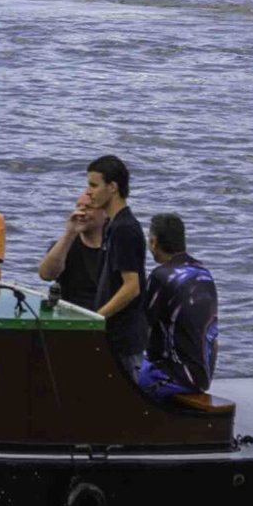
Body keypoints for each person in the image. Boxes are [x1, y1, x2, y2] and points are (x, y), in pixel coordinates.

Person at [133, 212, 219, 401]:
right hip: (203, 376)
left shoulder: (161, 276)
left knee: (121, 373)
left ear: (154, 243)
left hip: (177, 376)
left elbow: (142, 330)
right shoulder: (203, 273)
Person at [83, 154, 148, 367]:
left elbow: (132, 287)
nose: (88, 192)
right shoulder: (112, 225)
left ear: (112, 187)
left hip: (124, 340)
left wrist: (96, 318)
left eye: (94, 185)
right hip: (113, 336)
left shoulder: (124, 229)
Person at [35, 190, 107, 307]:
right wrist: (70, 233)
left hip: (105, 311)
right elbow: (46, 275)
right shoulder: (66, 243)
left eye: (88, 207)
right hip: (71, 309)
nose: (81, 212)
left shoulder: (114, 243)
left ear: (105, 213)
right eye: (78, 206)